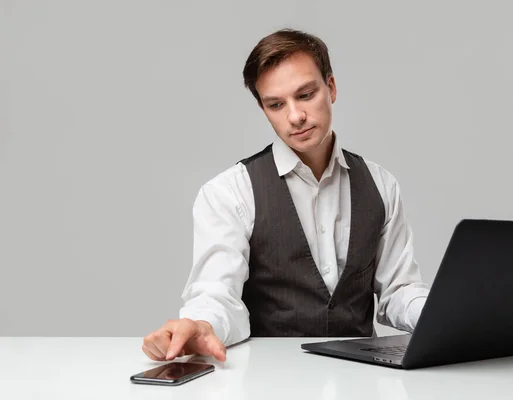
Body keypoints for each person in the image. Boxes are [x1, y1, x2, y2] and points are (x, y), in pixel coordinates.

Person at [142, 28, 430, 363]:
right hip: (266, 379)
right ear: (263, 109)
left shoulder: (382, 185)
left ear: (331, 88)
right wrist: (202, 324)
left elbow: (399, 290)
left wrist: (446, 316)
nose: (295, 116)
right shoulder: (230, 192)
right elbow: (218, 294)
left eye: (306, 95)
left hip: (361, 377)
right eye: (276, 104)